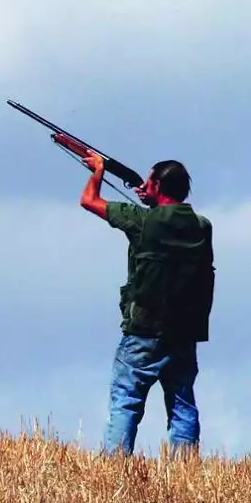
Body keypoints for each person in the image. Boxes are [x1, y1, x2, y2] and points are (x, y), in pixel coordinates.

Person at [78, 153, 214, 456]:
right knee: (182, 404)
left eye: (149, 181)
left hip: (144, 329)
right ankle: (185, 473)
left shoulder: (141, 221)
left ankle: (114, 469)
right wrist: (152, 199)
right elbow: (165, 222)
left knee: (126, 398)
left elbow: (89, 200)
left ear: (156, 185)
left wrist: (98, 170)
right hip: (184, 332)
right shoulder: (202, 227)